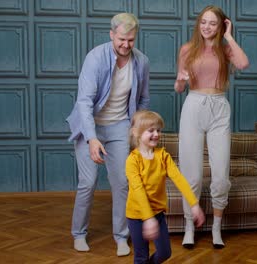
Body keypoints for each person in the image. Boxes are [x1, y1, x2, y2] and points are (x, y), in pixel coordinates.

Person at [66, 13, 150, 256]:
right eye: (122, 39)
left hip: (119, 126)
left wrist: (135, 129)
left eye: (131, 40)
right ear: (112, 34)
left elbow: (143, 99)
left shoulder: (141, 61)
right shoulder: (95, 58)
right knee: (88, 182)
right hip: (89, 124)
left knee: (122, 183)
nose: (126, 45)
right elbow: (84, 101)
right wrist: (92, 138)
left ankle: (121, 237)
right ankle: (79, 234)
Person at [174, 5, 249, 249]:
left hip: (219, 107)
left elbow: (244, 63)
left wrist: (229, 36)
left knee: (220, 174)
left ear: (221, 26)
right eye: (203, 22)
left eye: (213, 23)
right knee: (192, 173)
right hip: (193, 105)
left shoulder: (225, 50)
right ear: (199, 24)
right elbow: (178, 88)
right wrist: (180, 80)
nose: (207, 27)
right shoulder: (187, 49)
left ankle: (216, 227)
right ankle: (189, 226)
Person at [125, 110, 205, 263]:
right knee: (141, 257)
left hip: (158, 214)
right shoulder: (132, 161)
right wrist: (148, 219)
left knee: (165, 253)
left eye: (158, 130)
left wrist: (194, 205)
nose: (156, 134)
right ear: (136, 133)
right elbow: (138, 190)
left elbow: (179, 179)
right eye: (151, 130)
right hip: (136, 215)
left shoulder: (163, 156)